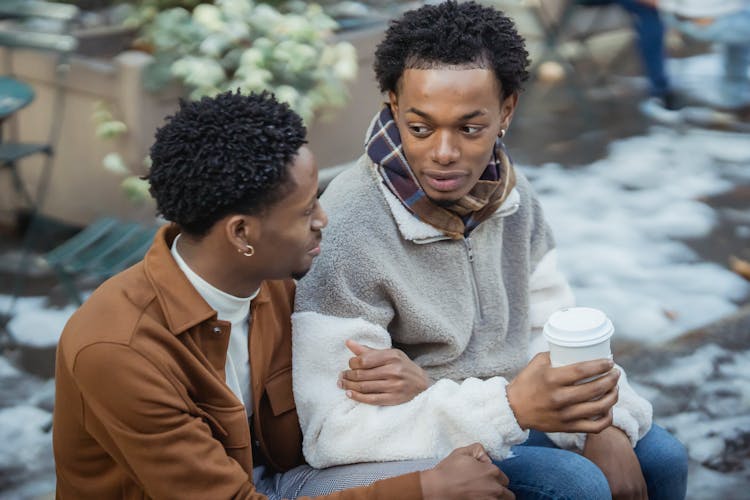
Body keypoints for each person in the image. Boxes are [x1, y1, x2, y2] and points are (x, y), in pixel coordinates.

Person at [293, 2, 688, 499]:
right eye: (420, 127)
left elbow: (553, 333)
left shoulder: (514, 201)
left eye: (470, 127)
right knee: (576, 484)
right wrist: (506, 405)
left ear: (507, 109)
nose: (443, 152)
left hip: (504, 409)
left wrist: (600, 425)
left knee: (663, 460)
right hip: (419, 443)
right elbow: (336, 430)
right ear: (392, 104)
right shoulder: (348, 227)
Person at [52, 90, 515, 499]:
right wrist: (423, 490)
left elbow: (328, 421)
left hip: (283, 478)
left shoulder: (271, 283)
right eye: (305, 209)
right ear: (241, 233)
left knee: (509, 476)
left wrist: (417, 382)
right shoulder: (118, 350)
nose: (323, 219)